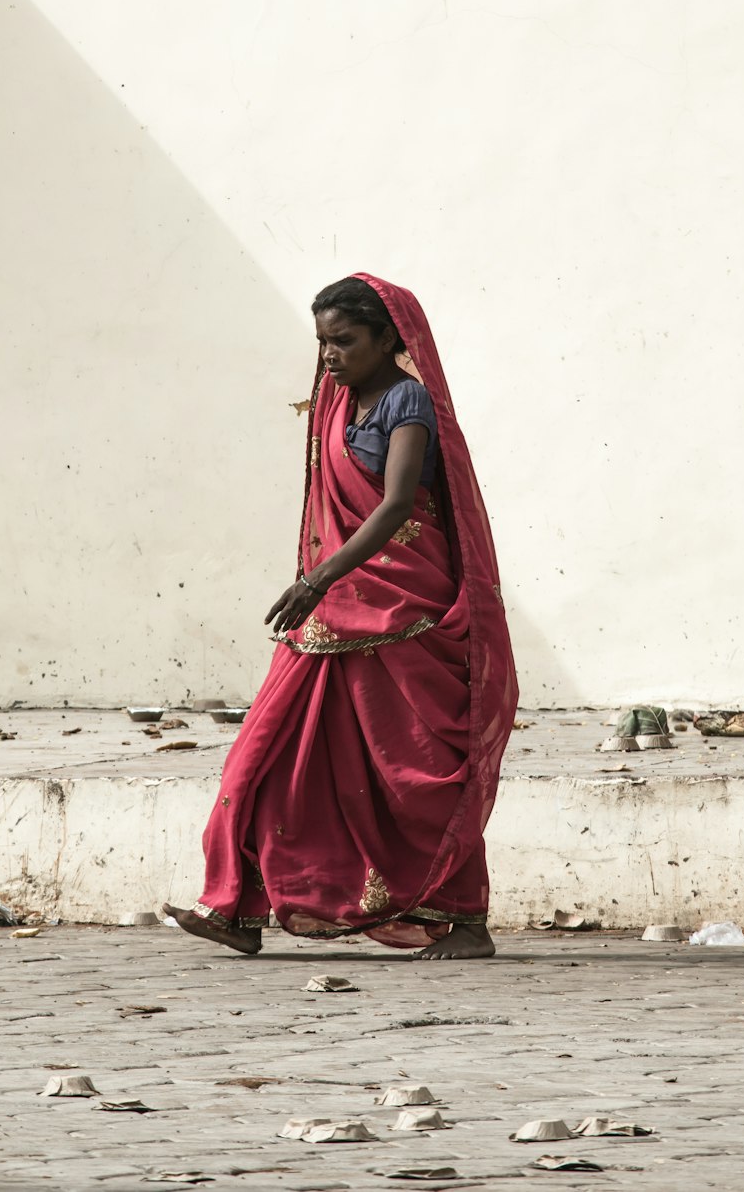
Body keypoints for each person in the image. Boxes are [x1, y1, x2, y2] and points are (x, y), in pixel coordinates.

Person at [165, 274, 518, 959]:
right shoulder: (336, 399)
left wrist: (316, 578)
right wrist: (321, 587)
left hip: (401, 608)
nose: (329, 355)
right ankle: (237, 906)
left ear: (389, 338)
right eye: (323, 341)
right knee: (264, 760)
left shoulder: (406, 400)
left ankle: (465, 921)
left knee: (413, 775)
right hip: (331, 612)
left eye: (345, 341)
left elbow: (391, 507)